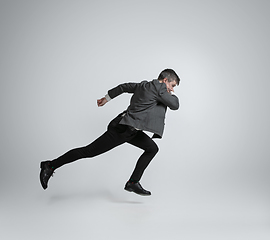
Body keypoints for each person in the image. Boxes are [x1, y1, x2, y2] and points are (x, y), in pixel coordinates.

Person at [40, 68, 180, 196]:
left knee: (152, 148)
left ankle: (133, 182)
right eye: (172, 85)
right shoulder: (159, 88)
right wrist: (169, 93)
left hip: (130, 129)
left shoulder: (144, 85)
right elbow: (175, 104)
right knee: (88, 151)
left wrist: (106, 98)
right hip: (122, 129)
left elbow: (124, 87)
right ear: (165, 80)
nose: (172, 90)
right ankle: (50, 165)